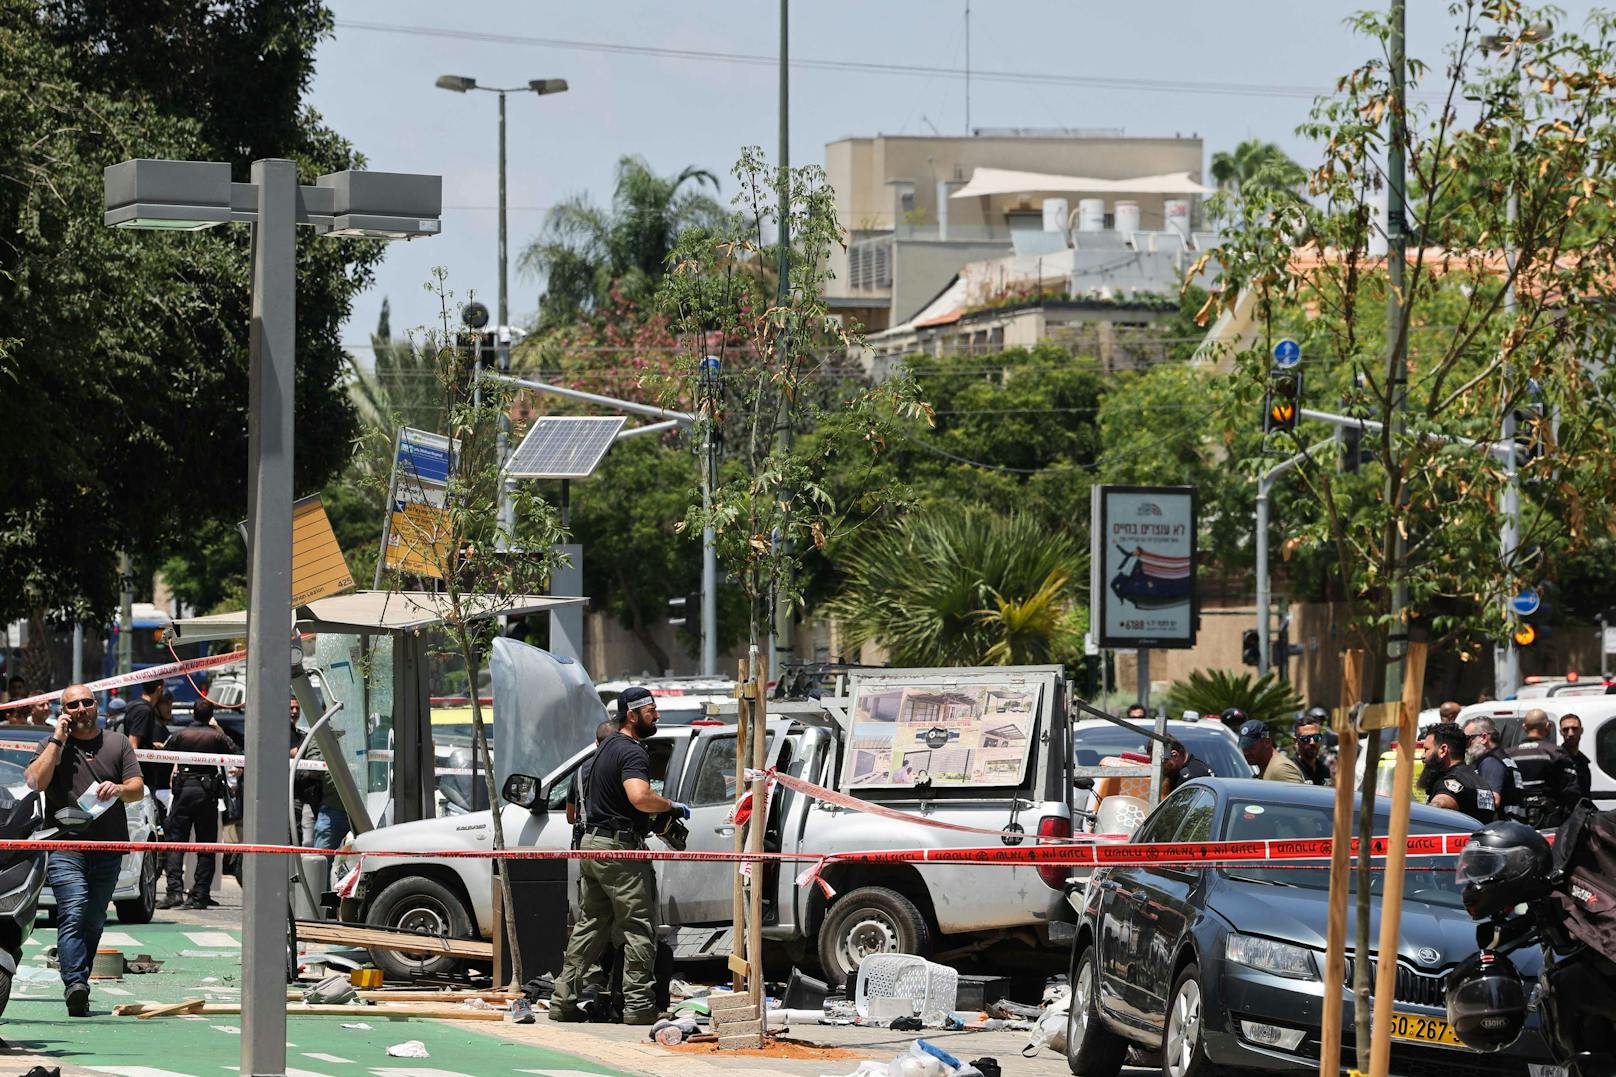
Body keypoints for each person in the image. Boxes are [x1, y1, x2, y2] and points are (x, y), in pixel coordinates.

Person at [550, 687, 690, 1026]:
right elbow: (639, 797)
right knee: (638, 926)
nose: (657, 716)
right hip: (620, 851)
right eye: (651, 711)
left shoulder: (602, 751)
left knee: (590, 926)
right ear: (632, 715)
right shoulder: (630, 751)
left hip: (593, 847)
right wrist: (670, 805)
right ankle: (639, 1006)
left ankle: (562, 1001)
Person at [24, 684, 143, 1016]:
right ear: (63, 711)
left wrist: (118, 788)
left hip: (108, 847)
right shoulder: (52, 745)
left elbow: (137, 789)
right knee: (74, 912)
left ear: (97, 706)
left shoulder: (117, 743)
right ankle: (76, 983)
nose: (80, 709)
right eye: (71, 704)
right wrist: (57, 740)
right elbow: (34, 781)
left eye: (86, 702)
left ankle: (78, 979)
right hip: (65, 848)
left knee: (93, 920)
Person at [159, 699, 240, 909]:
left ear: (193, 714)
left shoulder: (181, 734)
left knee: (175, 843)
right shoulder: (218, 736)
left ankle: (174, 892)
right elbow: (237, 756)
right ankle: (200, 893)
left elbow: (164, 754)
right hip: (207, 793)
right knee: (206, 845)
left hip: (183, 791)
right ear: (210, 714)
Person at [1507, 709, 1581, 829]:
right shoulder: (1556, 753)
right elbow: (1571, 791)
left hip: (1515, 819)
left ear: (1524, 727)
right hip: (1548, 820)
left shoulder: (1509, 754)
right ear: (1548, 726)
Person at [1420, 721, 1497, 823]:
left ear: (1443, 750)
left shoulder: (1451, 782)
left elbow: (1440, 804)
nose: (1423, 756)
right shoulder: (1478, 780)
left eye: (1426, 750)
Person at [121, 679, 171, 817]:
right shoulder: (145, 710)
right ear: (159, 689)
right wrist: (136, 778)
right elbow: (133, 743)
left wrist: (151, 746)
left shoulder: (133, 705)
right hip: (142, 779)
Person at [1464, 716, 1524, 821]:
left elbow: (1493, 800)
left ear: (1484, 737)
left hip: (1501, 826)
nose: (1465, 745)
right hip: (1511, 824)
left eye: (1468, 739)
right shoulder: (1501, 757)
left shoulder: (1490, 762)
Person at [1238, 719, 1306, 783]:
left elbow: (1299, 795)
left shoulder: (1281, 770)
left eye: (1251, 746)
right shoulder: (1267, 767)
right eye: (1244, 746)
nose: (1246, 752)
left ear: (1267, 742)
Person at [1559, 713, 1593, 800]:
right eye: (1566, 729)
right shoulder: (1557, 759)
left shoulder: (1583, 762)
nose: (1570, 733)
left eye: (1574, 728)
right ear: (1561, 732)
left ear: (1581, 731)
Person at [1293, 716, 1333, 786]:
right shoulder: (1292, 769)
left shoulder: (1324, 770)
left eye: (1316, 737)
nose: (1312, 742)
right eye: (1306, 739)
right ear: (1296, 741)